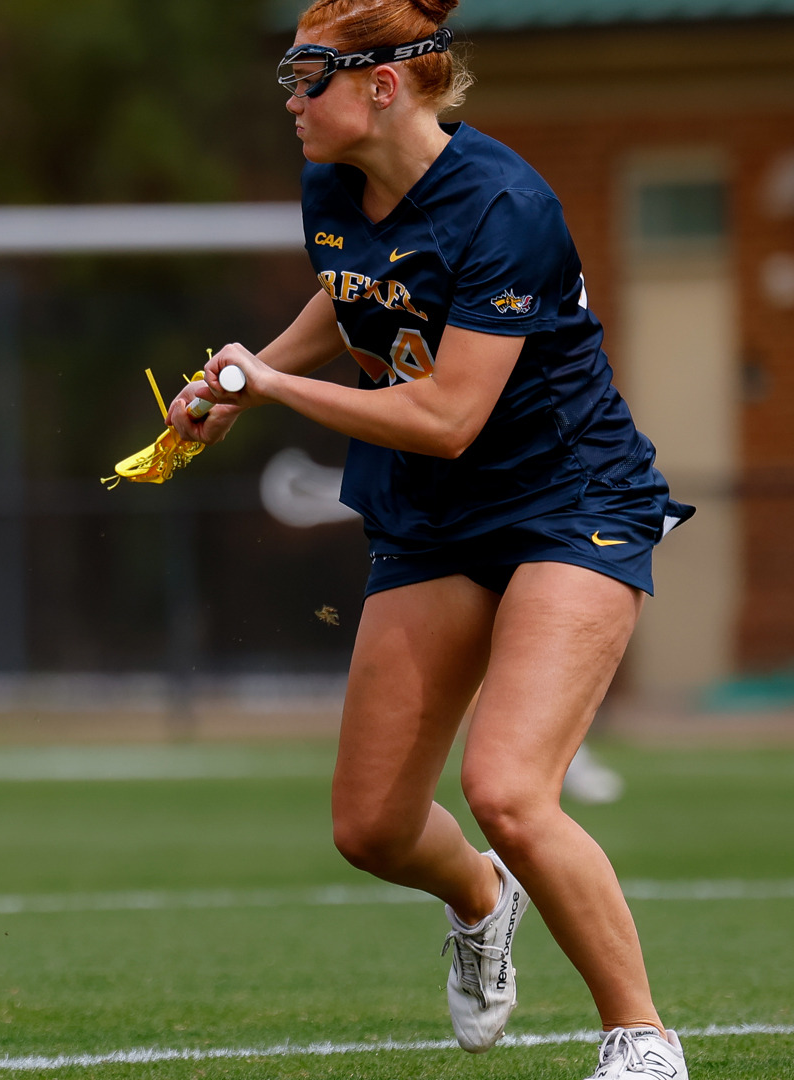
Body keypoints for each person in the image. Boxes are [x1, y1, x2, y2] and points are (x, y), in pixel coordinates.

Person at [173, 2, 693, 1077]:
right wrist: (246, 383)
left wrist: (272, 387)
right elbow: (355, 294)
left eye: (309, 77)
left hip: (570, 500)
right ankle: (478, 898)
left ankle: (641, 1041)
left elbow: (449, 415)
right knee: (369, 827)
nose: (291, 100)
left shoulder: (507, 205)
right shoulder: (332, 182)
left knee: (505, 788)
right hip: (433, 517)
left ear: (385, 84)